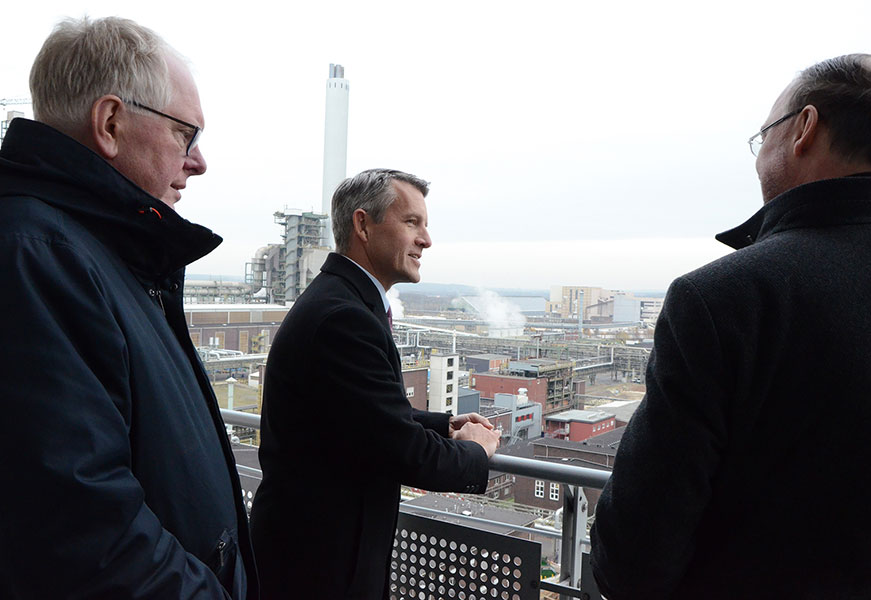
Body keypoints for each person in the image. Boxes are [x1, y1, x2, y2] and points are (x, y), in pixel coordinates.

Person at [589, 54, 871, 599]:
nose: (757, 156)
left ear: (804, 130)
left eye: (762, 134)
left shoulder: (725, 298)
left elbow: (634, 557)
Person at [0, 17, 257, 599]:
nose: (198, 162)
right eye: (184, 135)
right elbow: (83, 534)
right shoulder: (36, 258)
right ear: (111, 123)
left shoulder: (99, 256)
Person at [250, 168, 501, 599]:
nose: (426, 239)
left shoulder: (341, 301)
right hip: (318, 570)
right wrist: (475, 449)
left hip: (312, 556)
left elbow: (361, 416)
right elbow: (403, 452)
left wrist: (443, 426)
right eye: (411, 222)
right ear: (362, 225)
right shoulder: (343, 318)